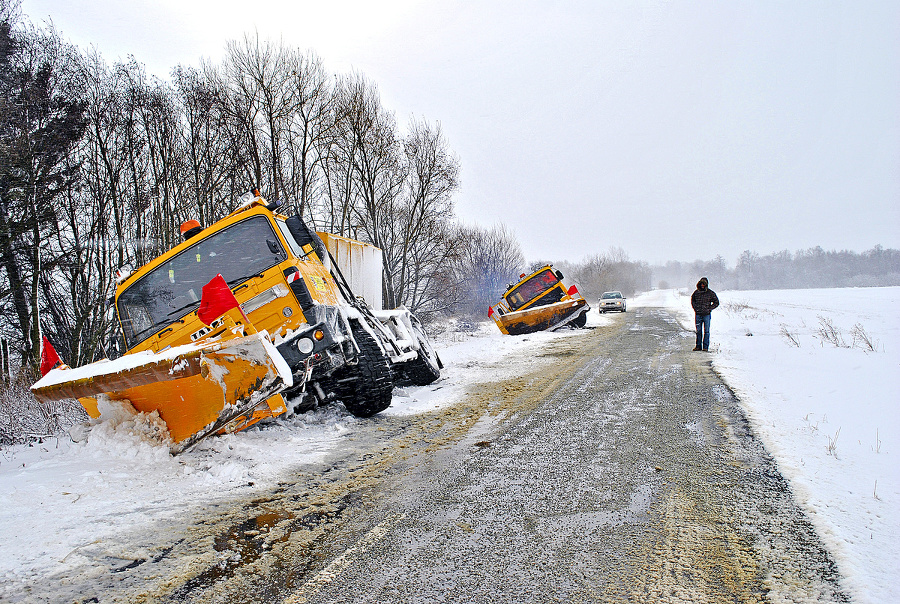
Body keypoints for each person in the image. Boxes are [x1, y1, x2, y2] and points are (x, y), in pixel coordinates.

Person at [690, 277, 719, 351]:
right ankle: (698, 346)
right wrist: (695, 308)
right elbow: (693, 301)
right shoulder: (696, 293)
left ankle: (705, 347)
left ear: (706, 284)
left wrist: (709, 308)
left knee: (706, 331)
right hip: (698, 314)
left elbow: (716, 302)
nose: (702, 285)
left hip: (706, 315)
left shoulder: (710, 293)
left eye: (704, 284)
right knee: (698, 331)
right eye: (701, 284)